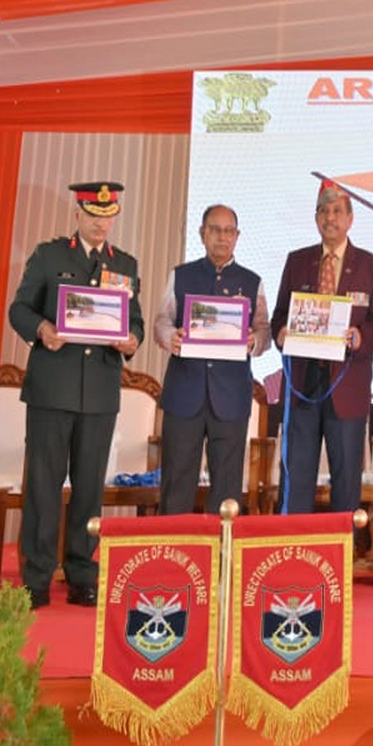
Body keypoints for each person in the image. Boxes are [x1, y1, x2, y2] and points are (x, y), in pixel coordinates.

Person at [9, 181, 144, 608]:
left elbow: (136, 321)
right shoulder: (50, 256)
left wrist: (133, 340)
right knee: (43, 485)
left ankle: (83, 572)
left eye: (108, 216)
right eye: (93, 215)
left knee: (89, 488)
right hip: (52, 387)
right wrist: (41, 329)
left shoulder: (124, 264)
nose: (100, 224)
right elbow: (19, 309)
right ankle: (36, 576)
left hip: (100, 391)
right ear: (78, 214)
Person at [271, 181, 373, 516]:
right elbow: (279, 314)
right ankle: (293, 544)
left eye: (337, 211)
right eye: (323, 211)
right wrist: (280, 332)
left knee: (346, 482)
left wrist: (361, 337)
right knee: (296, 479)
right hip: (302, 385)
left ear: (350, 219)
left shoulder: (372, 266)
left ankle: (343, 548)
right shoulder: (297, 261)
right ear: (315, 218)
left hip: (347, 387)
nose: (330, 218)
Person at [152, 204, 272, 515]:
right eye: (215, 230)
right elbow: (162, 321)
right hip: (184, 393)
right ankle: (174, 545)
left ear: (237, 236)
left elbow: (264, 330)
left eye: (229, 231)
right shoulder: (181, 275)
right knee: (176, 484)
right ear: (202, 233)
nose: (222, 237)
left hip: (231, 396)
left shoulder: (252, 281)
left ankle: (222, 546)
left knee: (227, 489)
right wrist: (170, 336)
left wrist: (255, 341)